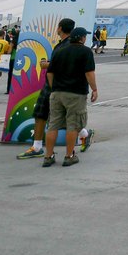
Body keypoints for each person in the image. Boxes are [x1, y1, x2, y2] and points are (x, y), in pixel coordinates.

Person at [18, 19, 93, 160]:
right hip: (56, 86)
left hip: (58, 86)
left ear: (60, 28)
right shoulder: (65, 45)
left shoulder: (67, 46)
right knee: (44, 114)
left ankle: (77, 140)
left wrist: (47, 66)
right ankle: (39, 146)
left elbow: (61, 66)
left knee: (60, 118)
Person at [42, 28, 97, 167]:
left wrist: (53, 87)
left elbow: (50, 72)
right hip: (75, 93)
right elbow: (89, 73)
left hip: (57, 93)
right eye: (85, 36)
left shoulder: (60, 50)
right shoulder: (86, 52)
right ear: (82, 38)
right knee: (73, 125)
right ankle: (69, 155)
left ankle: (48, 156)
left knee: (53, 125)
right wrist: (94, 89)